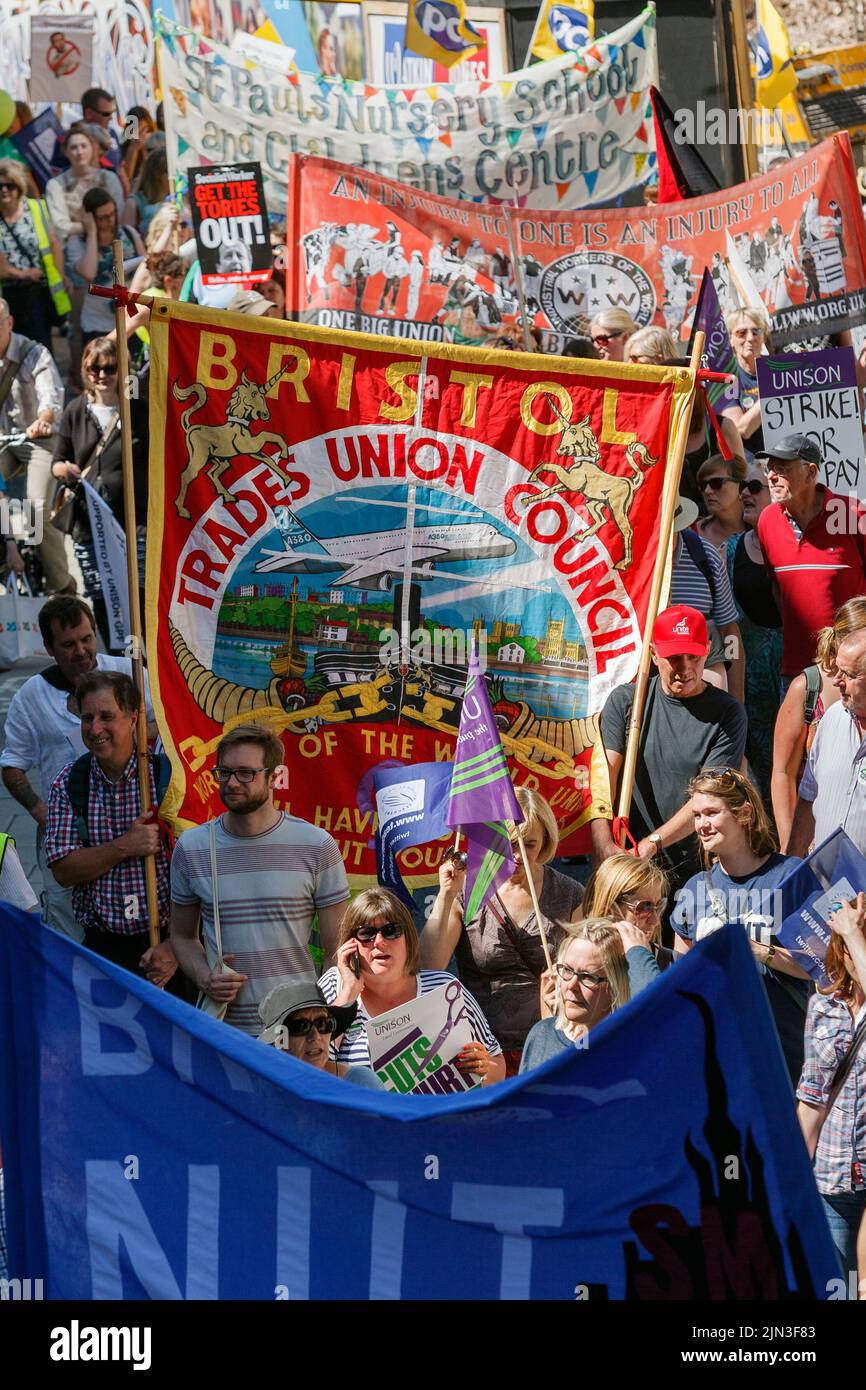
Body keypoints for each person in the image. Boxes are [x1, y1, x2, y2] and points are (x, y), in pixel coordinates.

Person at [170, 722, 349, 1034]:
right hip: (226, 1033)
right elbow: (183, 936)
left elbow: (338, 950)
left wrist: (323, 1023)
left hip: (297, 1032)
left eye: (245, 773)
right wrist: (205, 978)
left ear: (274, 777)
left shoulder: (317, 844)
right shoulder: (193, 847)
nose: (232, 782)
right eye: (224, 772)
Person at [0, 596, 153, 939]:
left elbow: (165, 728)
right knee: (69, 931)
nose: (81, 650)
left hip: (132, 815)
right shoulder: (31, 696)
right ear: (49, 648)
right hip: (69, 832)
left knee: (142, 924)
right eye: (68, 645)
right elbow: (12, 765)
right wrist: (43, 813)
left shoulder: (130, 674)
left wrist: (129, 731)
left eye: (86, 639)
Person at [420, 787, 584, 1071]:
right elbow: (429, 965)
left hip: (550, 1044)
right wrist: (446, 896)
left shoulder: (569, 894)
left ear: (545, 840)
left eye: (528, 844)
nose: (517, 855)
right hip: (481, 1050)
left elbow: (585, 973)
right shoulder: (466, 891)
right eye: (507, 844)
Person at [591, 605, 748, 896]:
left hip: (694, 872)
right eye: (674, 657)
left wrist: (652, 843)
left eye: (694, 656)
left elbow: (708, 795)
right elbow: (604, 774)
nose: (686, 667)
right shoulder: (627, 702)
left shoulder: (728, 714)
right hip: (626, 863)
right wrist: (601, 838)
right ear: (653, 654)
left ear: (708, 650)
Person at [671, 767, 811, 1086]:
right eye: (696, 815)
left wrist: (757, 950)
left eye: (711, 813)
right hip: (718, 1054)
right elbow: (681, 981)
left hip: (783, 1053)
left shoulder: (789, 876)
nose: (702, 825)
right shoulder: (693, 890)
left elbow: (820, 966)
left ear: (744, 812)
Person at [43, 669, 175, 983]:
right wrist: (124, 847)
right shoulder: (69, 783)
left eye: (106, 716)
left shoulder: (166, 780)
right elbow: (63, 869)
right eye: (88, 718)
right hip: (104, 950)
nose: (95, 728)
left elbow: (201, 872)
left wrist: (177, 945)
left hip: (167, 945)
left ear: (133, 718)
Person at [319, 887, 505, 1085]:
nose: (379, 942)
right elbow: (312, 1066)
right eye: (367, 933)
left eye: (391, 931)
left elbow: (498, 1068)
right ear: (350, 944)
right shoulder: (335, 986)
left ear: (408, 939)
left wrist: (483, 1067)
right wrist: (349, 992)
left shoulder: (445, 988)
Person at [51, 336, 148, 649]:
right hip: (88, 521)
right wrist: (64, 470)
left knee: (140, 593)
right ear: (84, 370)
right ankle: (115, 658)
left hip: (135, 521)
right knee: (100, 593)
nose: (102, 375)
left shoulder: (138, 409)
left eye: (110, 368)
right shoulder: (75, 411)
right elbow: (56, 461)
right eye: (94, 369)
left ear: (123, 369)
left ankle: (142, 664)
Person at [756, 433, 866, 694]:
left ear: (811, 472)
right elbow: (778, 590)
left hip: (853, 672)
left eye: (782, 468)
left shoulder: (852, 513)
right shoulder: (766, 521)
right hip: (795, 673)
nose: (771, 476)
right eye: (769, 468)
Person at [797, 896, 866, 1294]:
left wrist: (853, 930)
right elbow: (811, 1100)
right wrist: (792, 1176)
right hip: (833, 1178)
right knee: (833, 1288)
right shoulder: (824, 1007)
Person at [770, 600, 866, 847]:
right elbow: (788, 777)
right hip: (818, 857)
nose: (838, 681)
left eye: (851, 673)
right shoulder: (820, 700)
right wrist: (790, 853)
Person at [0, 296, 73, 595]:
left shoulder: (33, 353)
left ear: (9, 323)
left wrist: (43, 419)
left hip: (38, 440)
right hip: (4, 442)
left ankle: (62, 585)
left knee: (34, 510)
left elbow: (51, 398)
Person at [725, 463, 783, 801]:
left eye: (754, 487)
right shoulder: (731, 550)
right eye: (743, 486)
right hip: (751, 688)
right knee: (761, 773)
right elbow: (727, 629)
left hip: (798, 683)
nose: (744, 493)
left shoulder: (799, 546)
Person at [789, 627, 866, 857]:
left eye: (849, 674)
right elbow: (808, 797)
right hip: (822, 885)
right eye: (837, 670)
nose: (837, 682)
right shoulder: (832, 718)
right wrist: (792, 860)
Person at [519, 920, 629, 1072]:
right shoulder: (541, 1035)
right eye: (567, 970)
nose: (571, 985)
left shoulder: (628, 1052)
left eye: (587, 977)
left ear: (614, 986)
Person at [257, 981, 384, 1090]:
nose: (315, 1036)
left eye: (323, 1023)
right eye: (301, 1026)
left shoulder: (361, 1083)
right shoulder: (261, 1091)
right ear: (278, 1041)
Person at [670, 511, 744, 698]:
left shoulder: (706, 556)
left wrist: (736, 702)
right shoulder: (626, 559)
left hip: (702, 685)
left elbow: (728, 631)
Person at [578, 853, 671, 995]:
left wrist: (640, 957)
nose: (655, 921)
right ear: (608, 908)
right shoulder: (573, 965)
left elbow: (651, 1011)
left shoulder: (674, 965)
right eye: (645, 907)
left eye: (659, 906)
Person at [0, 159, 68, 352]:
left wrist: (60, 275)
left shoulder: (36, 208)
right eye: (0, 186)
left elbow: (53, 242)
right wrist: (24, 274)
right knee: (13, 348)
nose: (4, 190)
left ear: (19, 186)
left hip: (40, 291)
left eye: (9, 185)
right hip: (10, 295)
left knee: (43, 346)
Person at [65, 187, 143, 345]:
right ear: (90, 218)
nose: (110, 221)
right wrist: (92, 232)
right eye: (102, 217)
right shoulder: (77, 242)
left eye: (113, 214)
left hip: (131, 320)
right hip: (97, 324)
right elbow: (89, 272)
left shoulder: (128, 233)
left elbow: (146, 267)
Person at [44, 126, 124, 245]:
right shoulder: (55, 185)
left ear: (92, 148)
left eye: (83, 146)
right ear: (66, 152)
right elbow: (60, 226)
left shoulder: (109, 178)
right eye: (73, 147)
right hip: (76, 245)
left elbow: (120, 214)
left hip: (112, 241)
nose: (79, 152)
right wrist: (92, 227)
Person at [720, 307, 770, 460]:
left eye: (756, 332)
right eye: (741, 333)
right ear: (730, 339)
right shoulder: (726, 377)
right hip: (750, 466)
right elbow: (741, 429)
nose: (750, 338)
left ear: (763, 337)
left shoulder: (777, 368)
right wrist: (773, 393)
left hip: (784, 461)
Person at [693, 451, 747, 549]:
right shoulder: (693, 534)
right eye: (703, 485)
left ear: (741, 486)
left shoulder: (760, 528)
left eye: (716, 483)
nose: (707, 491)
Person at [122, 149, 168, 238]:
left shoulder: (178, 198)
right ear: (158, 174)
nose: (175, 176)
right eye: (170, 172)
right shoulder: (134, 203)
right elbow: (123, 242)